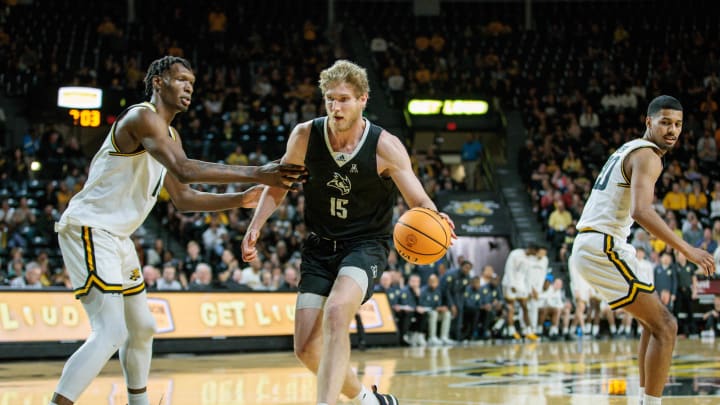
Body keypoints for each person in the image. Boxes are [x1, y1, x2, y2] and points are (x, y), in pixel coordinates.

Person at [49, 56, 307, 405]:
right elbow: (185, 171)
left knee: (143, 328)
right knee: (111, 331)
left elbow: (183, 198)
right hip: (90, 227)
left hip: (117, 237)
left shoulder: (169, 135)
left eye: (192, 83)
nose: (188, 87)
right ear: (158, 82)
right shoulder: (142, 117)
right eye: (181, 79)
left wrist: (242, 198)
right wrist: (258, 172)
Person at [241, 59, 455, 405]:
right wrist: (256, 226)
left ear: (363, 100)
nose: (335, 107)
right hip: (319, 246)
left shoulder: (385, 146)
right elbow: (279, 185)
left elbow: (418, 199)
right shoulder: (305, 136)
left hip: (366, 245)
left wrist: (436, 218)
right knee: (307, 350)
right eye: (330, 99)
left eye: (343, 99)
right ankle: (368, 401)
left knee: (338, 311)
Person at [570, 95, 715, 405]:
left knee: (654, 324)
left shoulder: (630, 149)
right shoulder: (649, 156)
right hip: (602, 245)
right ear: (649, 122)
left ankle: (645, 401)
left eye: (677, 124)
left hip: (598, 244)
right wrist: (687, 248)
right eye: (665, 122)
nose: (672, 130)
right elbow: (641, 211)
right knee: (667, 325)